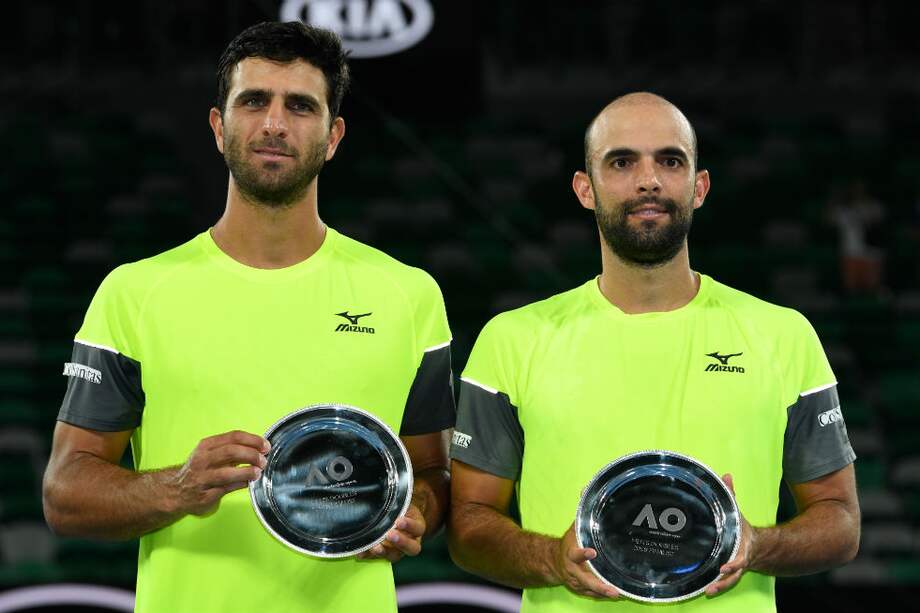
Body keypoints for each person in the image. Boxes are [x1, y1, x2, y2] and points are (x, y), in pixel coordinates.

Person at [42, 21, 454, 613]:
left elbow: (434, 472)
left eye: (301, 106)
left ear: (334, 136)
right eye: (254, 100)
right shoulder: (135, 293)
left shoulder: (408, 295)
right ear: (218, 126)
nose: (275, 124)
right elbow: (64, 494)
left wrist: (418, 515)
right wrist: (175, 487)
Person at [447, 92, 860, 612]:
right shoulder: (512, 339)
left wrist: (757, 544)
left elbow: (840, 520)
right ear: (585, 189)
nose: (649, 180)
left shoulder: (784, 335)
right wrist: (554, 559)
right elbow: (468, 527)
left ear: (699, 186)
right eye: (622, 162)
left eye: (670, 160)